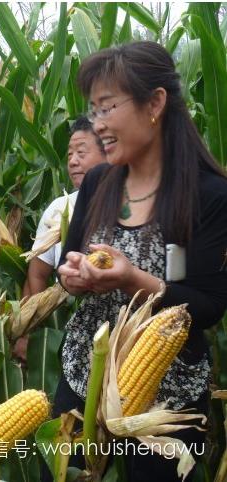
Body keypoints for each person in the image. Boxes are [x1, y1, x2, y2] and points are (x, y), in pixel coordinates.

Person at [47, 41, 227, 481]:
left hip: (165, 389)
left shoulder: (207, 195)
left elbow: (207, 307)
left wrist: (132, 280)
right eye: (93, 111)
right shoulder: (97, 183)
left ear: (155, 104)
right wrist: (73, 276)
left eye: (107, 108)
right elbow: (70, 259)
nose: (98, 124)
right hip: (86, 372)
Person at [22, 116, 106, 298]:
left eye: (81, 153)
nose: (73, 161)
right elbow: (37, 274)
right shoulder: (58, 208)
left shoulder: (132, 208)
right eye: (69, 154)